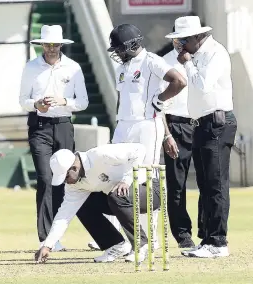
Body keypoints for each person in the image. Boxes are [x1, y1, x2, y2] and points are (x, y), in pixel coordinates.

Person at [104, 23, 187, 256]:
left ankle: (151, 239)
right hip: (123, 126)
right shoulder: (123, 67)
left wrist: (159, 101)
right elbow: (123, 100)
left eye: (120, 48)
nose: (117, 52)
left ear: (132, 44)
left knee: (143, 180)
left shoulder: (152, 61)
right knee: (117, 178)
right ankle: (128, 240)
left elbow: (179, 81)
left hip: (146, 126)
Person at [166, 16, 237, 258]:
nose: (180, 46)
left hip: (217, 123)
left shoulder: (215, 53)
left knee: (215, 184)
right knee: (205, 185)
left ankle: (218, 241)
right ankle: (208, 239)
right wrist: (189, 61)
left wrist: (186, 63)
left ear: (197, 37)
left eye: (183, 41)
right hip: (201, 125)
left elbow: (203, 84)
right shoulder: (197, 55)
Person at [19, 25, 89, 250]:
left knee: (65, 179)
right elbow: (23, 100)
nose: (51, 49)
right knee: (45, 179)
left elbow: (83, 102)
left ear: (61, 45)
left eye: (55, 45)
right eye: (47, 45)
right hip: (39, 127)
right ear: (41, 45)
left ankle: (56, 235)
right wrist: (36, 104)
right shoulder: (31, 68)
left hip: (63, 127)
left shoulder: (74, 68)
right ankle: (46, 237)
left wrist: (64, 102)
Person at [35, 143, 163, 264]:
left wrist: (127, 180)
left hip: (150, 189)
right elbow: (64, 215)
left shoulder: (99, 155)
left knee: (117, 195)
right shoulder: (74, 186)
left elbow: (139, 149)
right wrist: (48, 245)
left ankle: (142, 244)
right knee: (84, 205)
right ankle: (115, 244)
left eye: (66, 177)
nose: (66, 182)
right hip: (119, 199)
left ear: (74, 168)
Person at [162, 34, 196, 249]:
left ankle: (210, 233)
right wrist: (167, 135)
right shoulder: (164, 63)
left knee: (209, 182)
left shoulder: (204, 59)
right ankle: (183, 235)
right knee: (176, 184)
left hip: (204, 123)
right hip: (176, 125)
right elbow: (159, 104)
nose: (182, 44)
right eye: (178, 40)